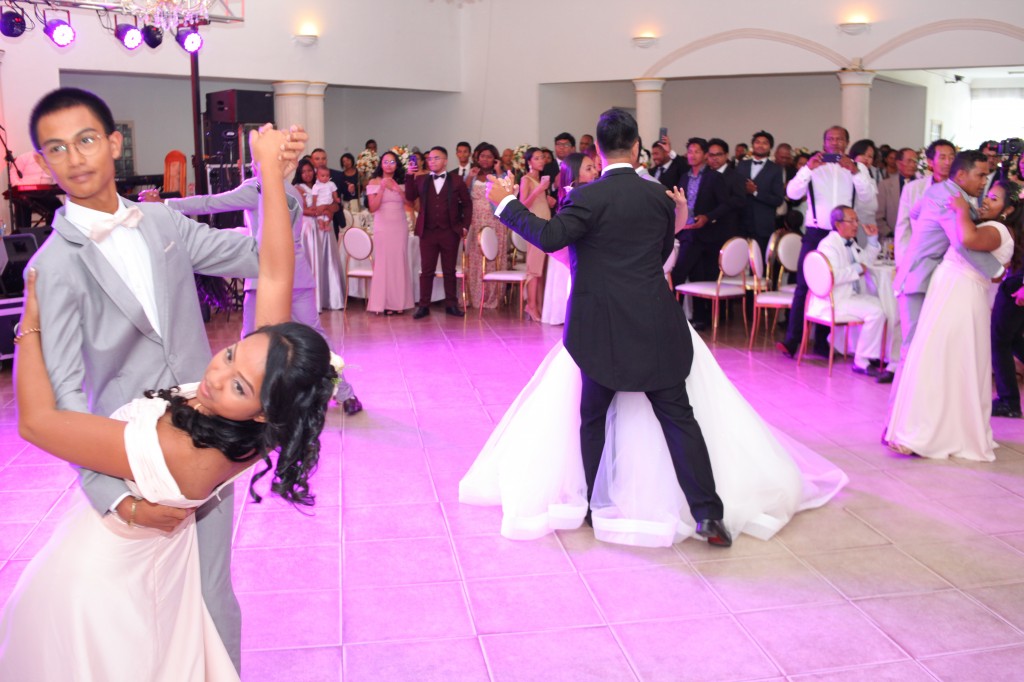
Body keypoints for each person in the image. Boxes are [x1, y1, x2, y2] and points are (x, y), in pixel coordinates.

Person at [0, 117, 335, 678]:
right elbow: (275, 272)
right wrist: (272, 181)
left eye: (236, 384)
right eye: (231, 355)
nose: (215, 373)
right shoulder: (245, 427)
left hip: (92, 583)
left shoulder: (174, 447)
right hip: (147, 571)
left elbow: (37, 422)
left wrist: (29, 322)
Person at [484, 107, 732, 547]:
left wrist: (503, 202)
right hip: (655, 321)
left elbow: (550, 238)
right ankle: (708, 515)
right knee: (679, 418)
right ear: (636, 147)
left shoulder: (586, 197)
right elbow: (658, 258)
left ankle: (589, 507)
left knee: (593, 417)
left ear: (596, 149)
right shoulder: (660, 199)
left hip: (600, 326)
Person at [142, 170, 363, 415]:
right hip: (298, 274)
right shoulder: (293, 190)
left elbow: (210, 203)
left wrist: (165, 203)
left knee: (251, 341)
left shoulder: (256, 189)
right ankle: (345, 393)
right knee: (319, 341)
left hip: (265, 277)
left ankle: (254, 403)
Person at [885, 178, 1018, 461]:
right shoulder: (982, 222)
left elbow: (967, 241)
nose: (985, 199)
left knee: (943, 362)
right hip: (947, 295)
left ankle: (933, 434)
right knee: (937, 362)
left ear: (1007, 209)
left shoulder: (997, 229)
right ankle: (926, 428)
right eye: (986, 193)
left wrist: (959, 210)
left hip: (962, 299)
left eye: (993, 198)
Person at [888, 150, 1004, 406]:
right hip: (919, 280)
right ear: (961, 175)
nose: (985, 181)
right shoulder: (950, 198)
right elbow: (964, 243)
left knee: (925, 352)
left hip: (928, 277)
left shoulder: (941, 190)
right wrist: (998, 272)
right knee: (913, 351)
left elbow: (916, 214)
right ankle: (893, 423)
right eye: (981, 175)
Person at [777, 126, 875, 358]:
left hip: (843, 235)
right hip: (815, 232)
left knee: (833, 285)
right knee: (804, 285)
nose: (835, 143)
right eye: (830, 139)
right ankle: (793, 341)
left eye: (840, 139)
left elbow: (868, 198)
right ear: (824, 142)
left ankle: (823, 343)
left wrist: (855, 172)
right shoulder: (812, 166)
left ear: (847, 142)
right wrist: (807, 170)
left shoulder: (858, 168)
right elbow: (791, 193)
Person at [810, 206, 892, 378]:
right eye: (852, 221)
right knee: (877, 311)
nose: (856, 225)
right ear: (838, 224)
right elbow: (831, 277)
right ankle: (862, 360)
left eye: (857, 220)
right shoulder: (828, 245)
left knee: (883, 306)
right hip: (833, 300)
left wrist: (872, 240)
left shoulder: (850, 242)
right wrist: (856, 268)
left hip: (849, 296)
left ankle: (873, 354)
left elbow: (866, 262)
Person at [670, 137, 731, 331]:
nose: (692, 155)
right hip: (687, 232)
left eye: (696, 151)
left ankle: (680, 317)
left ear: (704, 155)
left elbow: (725, 205)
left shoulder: (714, 177)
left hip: (706, 233)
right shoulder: (684, 177)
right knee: (690, 274)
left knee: (684, 273)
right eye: (689, 151)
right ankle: (691, 318)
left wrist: (708, 217)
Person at [406, 146, 471, 318]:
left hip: (450, 231)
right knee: (427, 270)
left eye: (436, 158)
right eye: (430, 159)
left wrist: (465, 225)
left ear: (445, 160)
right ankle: (424, 305)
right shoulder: (421, 179)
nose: (432, 161)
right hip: (427, 232)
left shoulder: (457, 180)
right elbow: (410, 196)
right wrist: (409, 175)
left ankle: (451, 304)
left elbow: (467, 204)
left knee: (449, 270)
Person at [541, 152, 599, 325]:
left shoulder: (587, 194)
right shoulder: (575, 198)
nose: (595, 172)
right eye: (589, 168)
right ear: (574, 174)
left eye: (594, 167)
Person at [990, 181, 1024, 418]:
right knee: (1011, 340)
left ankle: (1009, 402)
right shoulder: (1012, 223)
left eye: (993, 197)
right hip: (1015, 283)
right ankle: (1009, 399)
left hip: (1017, 286)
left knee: (1000, 340)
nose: (987, 199)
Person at [366, 150, 414, 315]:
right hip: (382, 226)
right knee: (383, 262)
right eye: (385, 161)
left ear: (397, 164)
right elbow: (373, 207)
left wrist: (397, 189)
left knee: (399, 261)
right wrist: (381, 188)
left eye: (392, 162)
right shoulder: (373, 181)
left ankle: (399, 302)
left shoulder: (403, 181)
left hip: (399, 225)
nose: (388, 165)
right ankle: (383, 303)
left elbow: (410, 203)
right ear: (381, 164)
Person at [294, 161, 345, 311]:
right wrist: (323, 210)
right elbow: (303, 209)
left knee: (327, 261)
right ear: (299, 174)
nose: (307, 174)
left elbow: (336, 206)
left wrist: (329, 209)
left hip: (325, 225)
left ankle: (330, 298)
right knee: (312, 262)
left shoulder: (324, 184)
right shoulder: (298, 188)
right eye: (304, 172)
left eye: (310, 170)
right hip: (309, 227)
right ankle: (313, 302)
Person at [464, 142, 508, 309]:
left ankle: (491, 297)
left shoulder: (500, 175)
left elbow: (506, 193)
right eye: (483, 156)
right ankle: (474, 295)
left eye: (489, 156)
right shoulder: (473, 175)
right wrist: (469, 177)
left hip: (494, 221)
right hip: (475, 220)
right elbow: (463, 194)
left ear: (495, 159)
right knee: (475, 259)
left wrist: (498, 172)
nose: (485, 159)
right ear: (477, 157)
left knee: (491, 258)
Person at [517, 147, 554, 321]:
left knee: (541, 269)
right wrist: (539, 190)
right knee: (534, 268)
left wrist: (547, 199)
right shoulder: (526, 179)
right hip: (534, 228)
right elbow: (522, 205)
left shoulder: (540, 180)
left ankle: (536, 304)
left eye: (542, 158)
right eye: (537, 158)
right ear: (529, 161)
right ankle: (531, 306)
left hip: (544, 226)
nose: (541, 160)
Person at [737, 130, 785, 258]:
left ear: (770, 147)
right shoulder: (741, 165)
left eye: (765, 143)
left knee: (760, 261)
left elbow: (778, 200)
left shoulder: (776, 169)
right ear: (752, 145)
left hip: (762, 224)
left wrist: (756, 192)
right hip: (740, 220)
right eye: (757, 142)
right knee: (738, 259)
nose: (760, 145)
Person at [876, 147, 919, 238]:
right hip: (891, 238)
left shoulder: (922, 185)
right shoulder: (885, 185)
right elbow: (878, 216)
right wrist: (889, 233)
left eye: (915, 161)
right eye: (909, 161)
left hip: (917, 238)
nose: (913, 165)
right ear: (899, 164)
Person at [848, 139, 880, 245]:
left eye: (870, 156)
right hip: (857, 225)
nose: (866, 159)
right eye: (863, 154)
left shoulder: (872, 175)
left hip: (871, 224)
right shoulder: (849, 174)